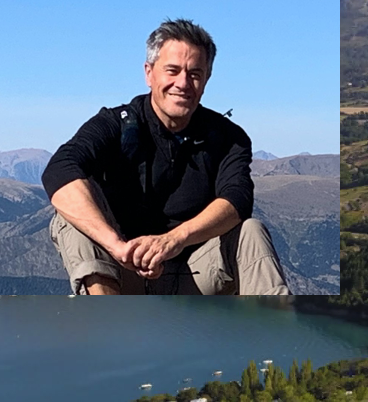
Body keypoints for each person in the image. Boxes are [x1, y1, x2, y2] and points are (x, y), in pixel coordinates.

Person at [41, 18, 290, 295]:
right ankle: (109, 327)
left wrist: (175, 240)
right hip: (123, 272)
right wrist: (117, 247)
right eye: (172, 70)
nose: (183, 83)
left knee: (251, 232)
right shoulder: (115, 125)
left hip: (194, 275)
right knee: (69, 217)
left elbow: (238, 199)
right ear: (149, 73)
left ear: (206, 79)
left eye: (195, 73)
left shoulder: (227, 138)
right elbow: (60, 170)